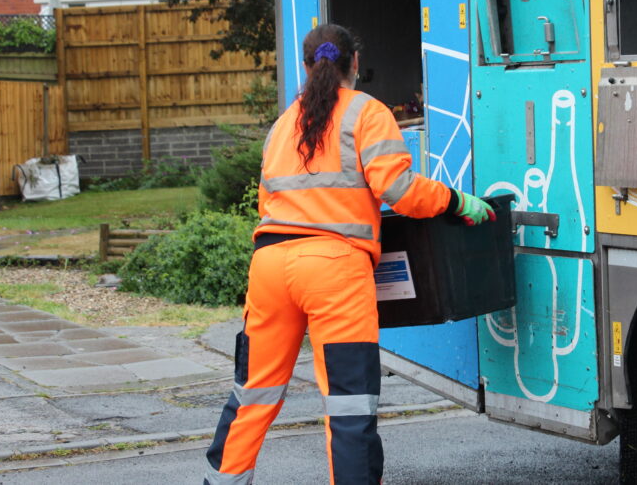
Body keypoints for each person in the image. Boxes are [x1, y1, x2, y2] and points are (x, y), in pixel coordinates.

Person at [203, 24, 495, 484]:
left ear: (306, 67)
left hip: (270, 266)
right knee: (348, 404)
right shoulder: (367, 112)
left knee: (253, 393)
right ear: (354, 64)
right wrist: (457, 201)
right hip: (335, 270)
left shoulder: (283, 125)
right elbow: (399, 191)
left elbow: (267, 205)